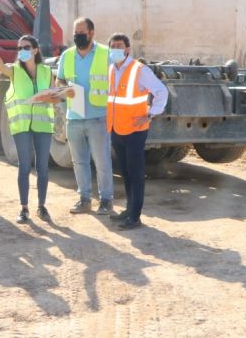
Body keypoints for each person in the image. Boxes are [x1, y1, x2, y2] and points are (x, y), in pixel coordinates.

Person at [0, 35, 59, 224]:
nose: (22, 51)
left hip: (43, 125)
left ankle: (42, 206)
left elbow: (55, 95)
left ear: (35, 50)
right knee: (24, 166)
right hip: (21, 125)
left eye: (26, 47)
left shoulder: (46, 71)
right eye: (19, 48)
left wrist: (54, 96)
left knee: (43, 167)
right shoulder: (15, 71)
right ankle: (24, 208)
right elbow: (2, 68)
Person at [106, 33, 168, 230]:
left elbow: (161, 91)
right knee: (125, 172)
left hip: (134, 130)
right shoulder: (111, 70)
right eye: (112, 45)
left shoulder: (139, 70)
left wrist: (150, 113)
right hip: (117, 128)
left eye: (119, 45)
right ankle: (129, 209)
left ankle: (135, 216)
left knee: (136, 173)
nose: (115, 48)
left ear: (127, 49)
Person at [56, 17, 114, 215]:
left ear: (91, 33)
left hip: (99, 117)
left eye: (81, 33)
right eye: (75, 33)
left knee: (102, 161)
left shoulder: (106, 54)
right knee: (79, 161)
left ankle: (106, 200)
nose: (77, 36)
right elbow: (60, 81)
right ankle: (84, 198)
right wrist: (65, 90)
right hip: (74, 117)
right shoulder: (67, 55)